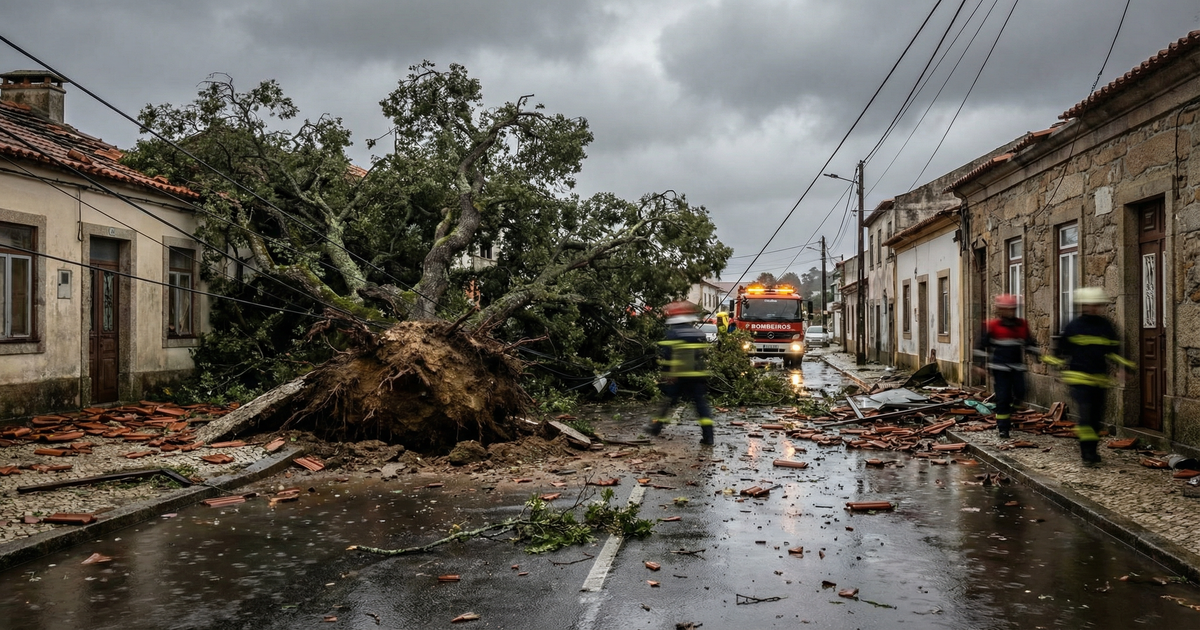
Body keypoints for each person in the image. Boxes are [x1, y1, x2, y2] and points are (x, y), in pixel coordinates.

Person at [1043, 287, 1135, 466]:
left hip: (1099, 380)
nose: (1093, 308)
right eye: (1090, 305)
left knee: (1095, 419)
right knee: (1086, 416)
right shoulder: (1074, 326)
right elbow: (1061, 350)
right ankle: (1087, 453)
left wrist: (1124, 368)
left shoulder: (1105, 326)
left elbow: (1113, 350)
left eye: (1096, 305)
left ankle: (1092, 450)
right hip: (1079, 380)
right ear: (1083, 305)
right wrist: (1054, 367)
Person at [646, 301, 715, 445]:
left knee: (669, 401)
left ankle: (656, 427)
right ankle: (709, 436)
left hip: (679, 376)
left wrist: (667, 375)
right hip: (697, 376)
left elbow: (668, 357)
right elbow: (701, 355)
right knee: (701, 406)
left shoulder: (672, 333)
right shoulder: (698, 333)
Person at [972, 294, 1040, 439]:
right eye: (1006, 309)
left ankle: (1010, 413)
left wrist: (1037, 357)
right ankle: (1003, 427)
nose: (1009, 312)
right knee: (1003, 398)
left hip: (1017, 367)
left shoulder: (1022, 325)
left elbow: (1030, 343)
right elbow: (979, 346)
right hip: (999, 368)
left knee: (1021, 392)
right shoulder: (992, 326)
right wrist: (980, 365)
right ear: (1000, 310)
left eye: (1012, 309)